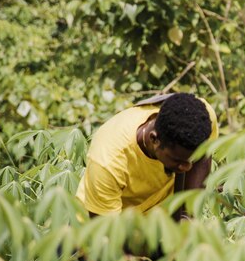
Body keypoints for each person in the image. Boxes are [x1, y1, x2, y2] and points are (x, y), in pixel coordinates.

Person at [76, 92, 219, 219]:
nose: (186, 168)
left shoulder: (200, 117)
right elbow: (108, 238)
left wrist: (188, 216)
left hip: (157, 220)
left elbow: (203, 154)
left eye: (190, 160)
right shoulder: (108, 159)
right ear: (154, 139)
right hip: (102, 226)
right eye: (178, 160)